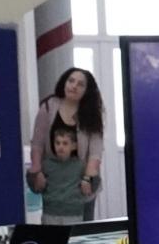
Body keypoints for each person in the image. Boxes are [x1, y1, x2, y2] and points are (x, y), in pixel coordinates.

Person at [28, 68, 105, 218]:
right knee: (53, 224)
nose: (74, 86)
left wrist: (88, 178)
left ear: (86, 91)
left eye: (80, 84)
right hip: (54, 181)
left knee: (83, 228)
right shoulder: (48, 107)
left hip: (81, 180)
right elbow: (37, 144)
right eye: (71, 81)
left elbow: (95, 152)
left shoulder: (92, 113)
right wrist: (36, 171)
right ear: (64, 82)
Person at [37, 125, 89, 225]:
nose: (61, 147)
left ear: (73, 146)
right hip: (50, 213)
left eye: (65, 143)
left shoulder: (80, 165)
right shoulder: (46, 164)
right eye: (57, 143)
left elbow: (92, 180)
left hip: (73, 214)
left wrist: (87, 180)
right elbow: (37, 186)